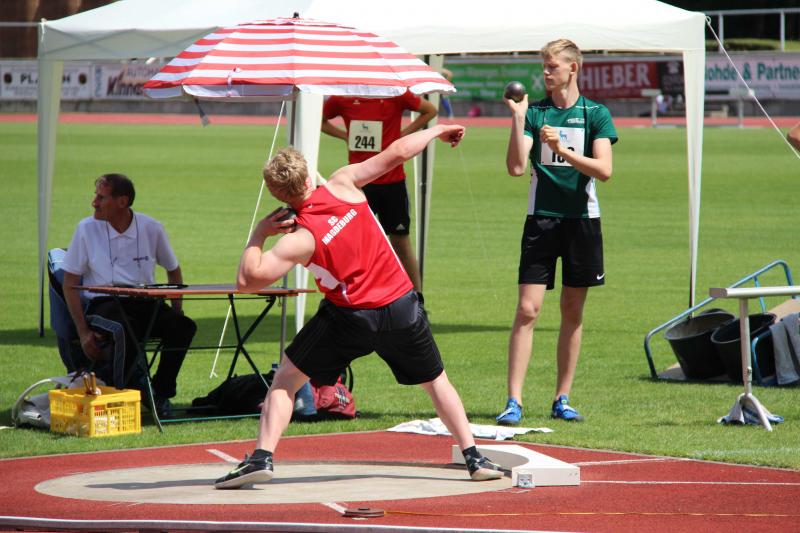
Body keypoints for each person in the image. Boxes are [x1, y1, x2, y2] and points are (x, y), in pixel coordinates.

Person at [214, 123, 503, 489]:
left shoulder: (299, 238)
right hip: (401, 306)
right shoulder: (343, 182)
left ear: (276, 193)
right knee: (435, 381)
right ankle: (474, 457)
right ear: (308, 176)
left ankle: (261, 457)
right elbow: (398, 152)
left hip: (351, 317)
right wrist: (438, 130)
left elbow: (248, 281)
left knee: (286, 378)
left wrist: (259, 234)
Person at [497, 39, 618, 425]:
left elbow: (604, 170)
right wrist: (518, 120)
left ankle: (562, 398)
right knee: (527, 309)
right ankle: (513, 401)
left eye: (552, 67)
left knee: (572, 309)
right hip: (542, 220)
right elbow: (516, 168)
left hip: (583, 221)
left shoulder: (595, 113)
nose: (546, 73)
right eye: (544, 67)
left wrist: (563, 150)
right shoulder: (536, 112)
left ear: (573, 68)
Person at [62, 173, 196, 417]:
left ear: (122, 202)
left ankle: (160, 393)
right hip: (103, 303)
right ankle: (119, 395)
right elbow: (69, 283)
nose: (94, 202)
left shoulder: (151, 227)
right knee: (124, 329)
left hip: (146, 302)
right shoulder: (86, 229)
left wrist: (176, 312)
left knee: (184, 327)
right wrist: (83, 332)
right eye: (96, 196)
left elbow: (173, 271)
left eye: (101, 197)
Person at [321, 93, 437, 295]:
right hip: (359, 184)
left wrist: (403, 134)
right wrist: (345, 135)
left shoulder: (395, 93)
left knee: (400, 242)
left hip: (392, 182)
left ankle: (418, 299)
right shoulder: (343, 97)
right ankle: (350, 298)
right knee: (353, 244)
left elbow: (430, 110)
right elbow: (319, 120)